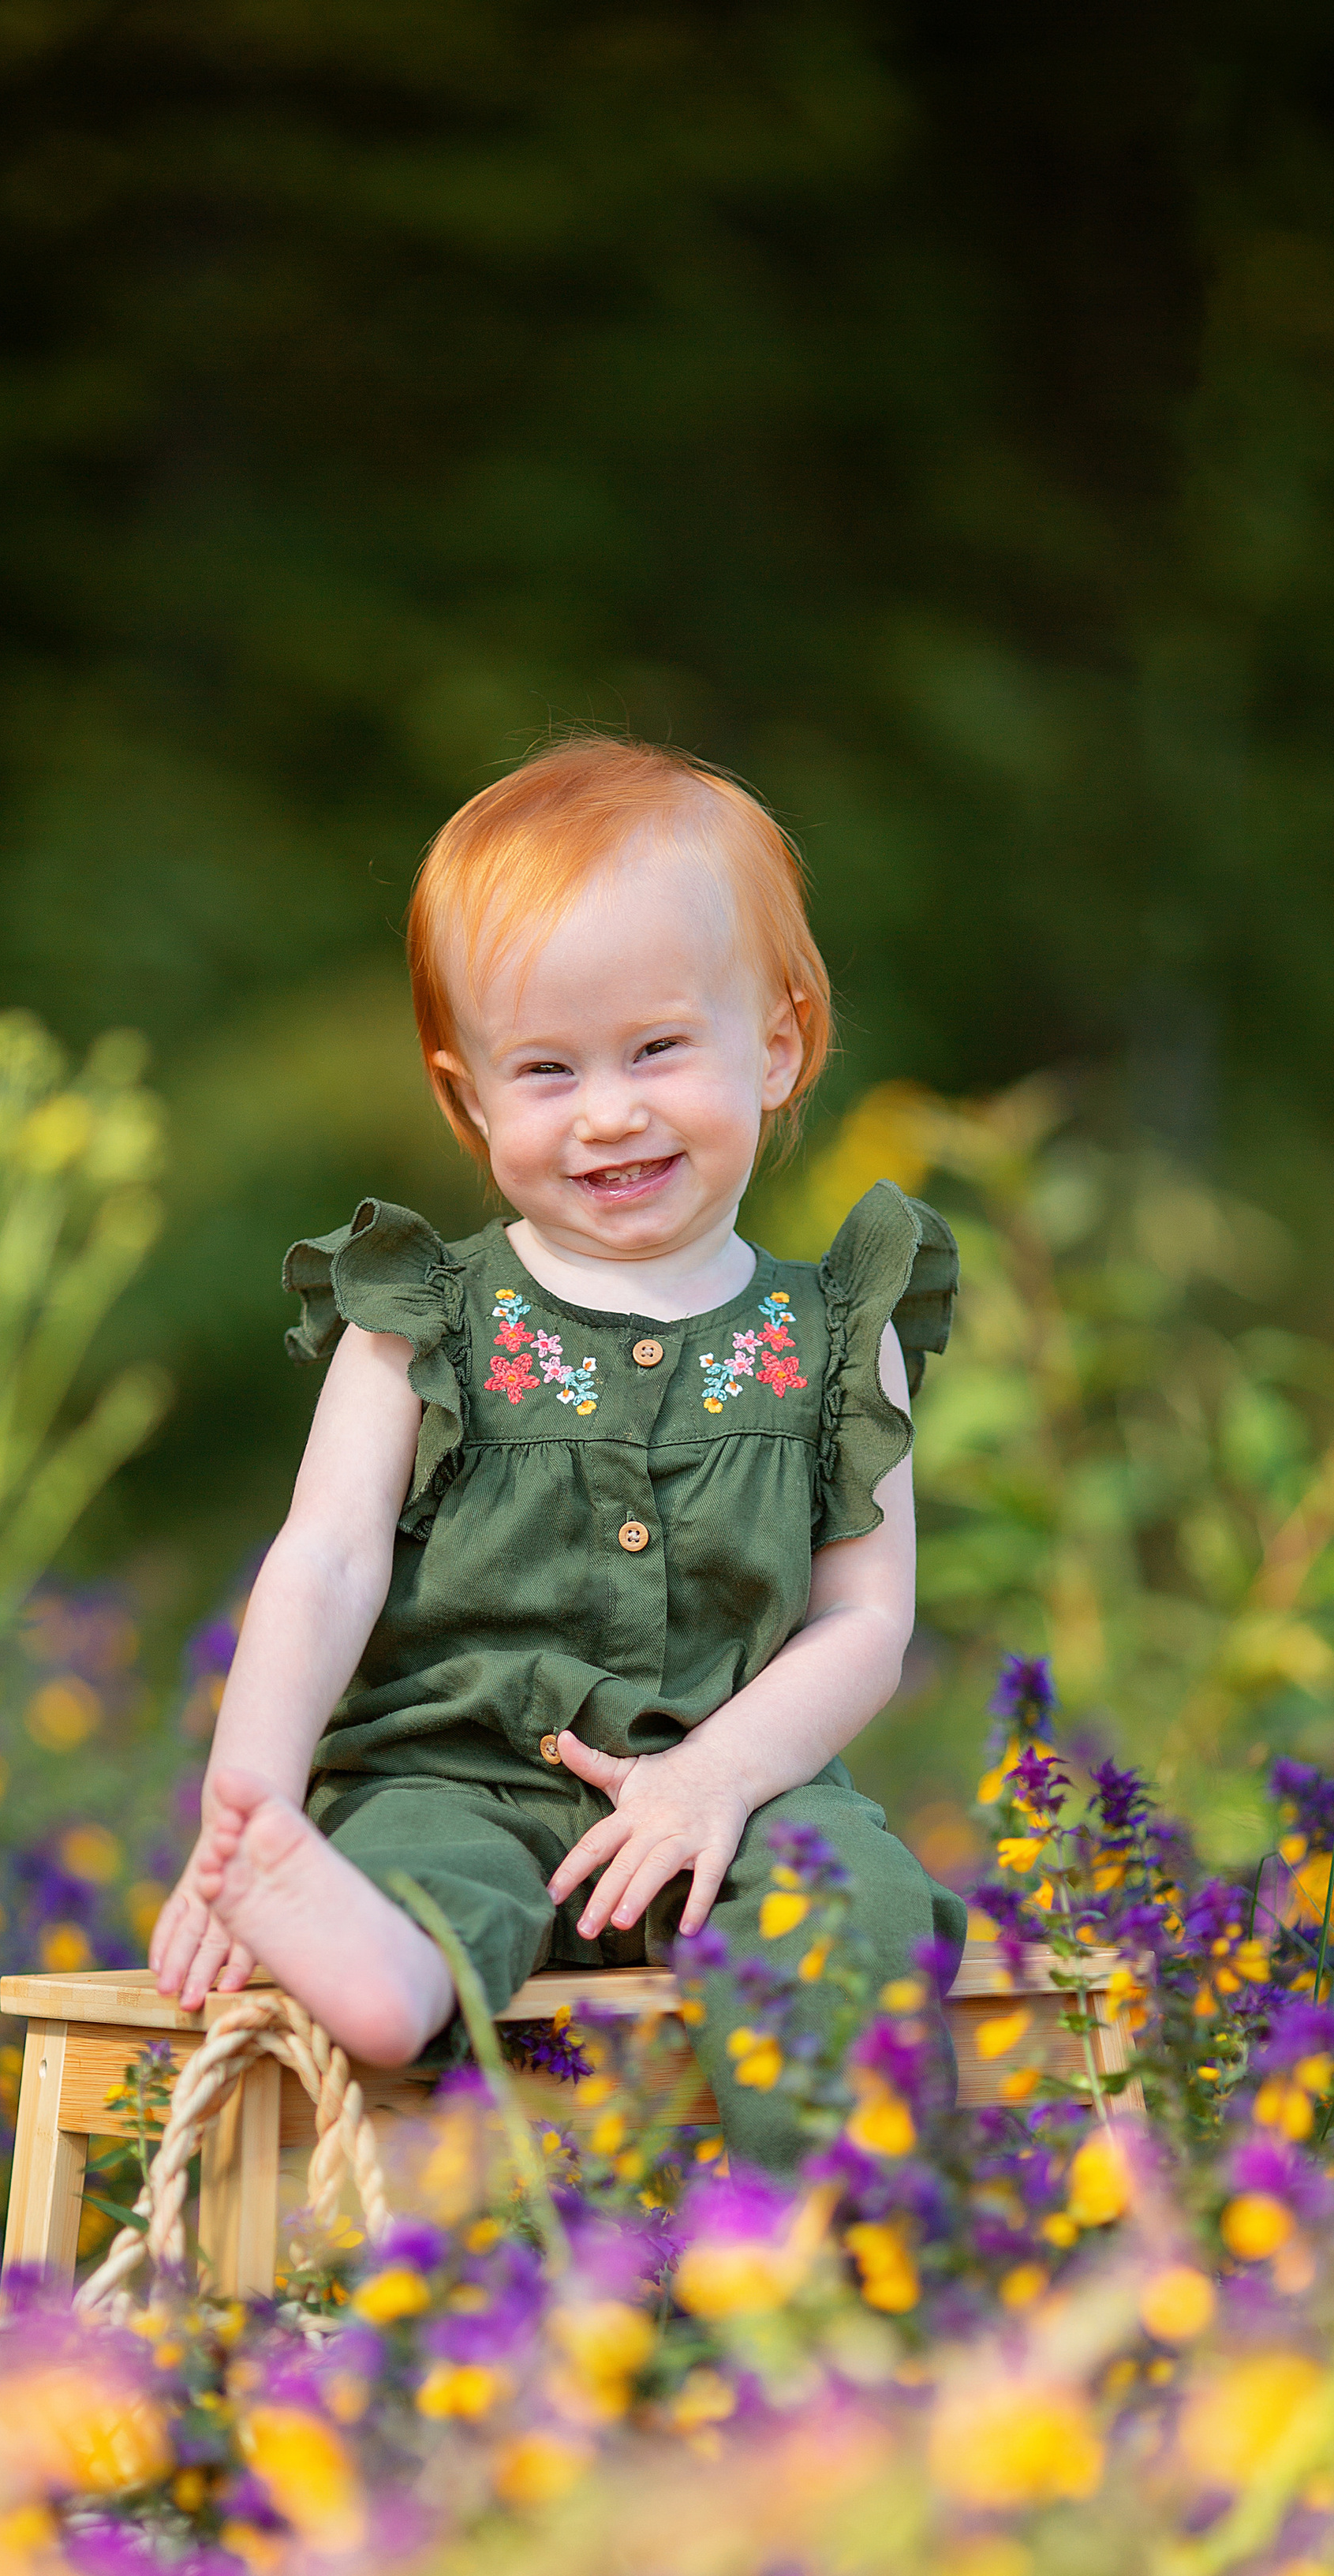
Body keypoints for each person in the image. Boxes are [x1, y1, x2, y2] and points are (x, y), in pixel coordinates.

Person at [148, 735, 964, 2169]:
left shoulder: (838, 1332)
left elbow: (867, 1621)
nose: (607, 1112)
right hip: (458, 1772)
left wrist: (717, 1773)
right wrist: (250, 1814)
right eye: (546, 1070)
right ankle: (387, 1978)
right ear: (468, 1101)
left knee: (853, 1902)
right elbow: (325, 1563)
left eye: (657, 1048)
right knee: (416, 1869)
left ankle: (829, 2252)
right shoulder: (420, 1321)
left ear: (776, 1047)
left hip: (743, 1788)